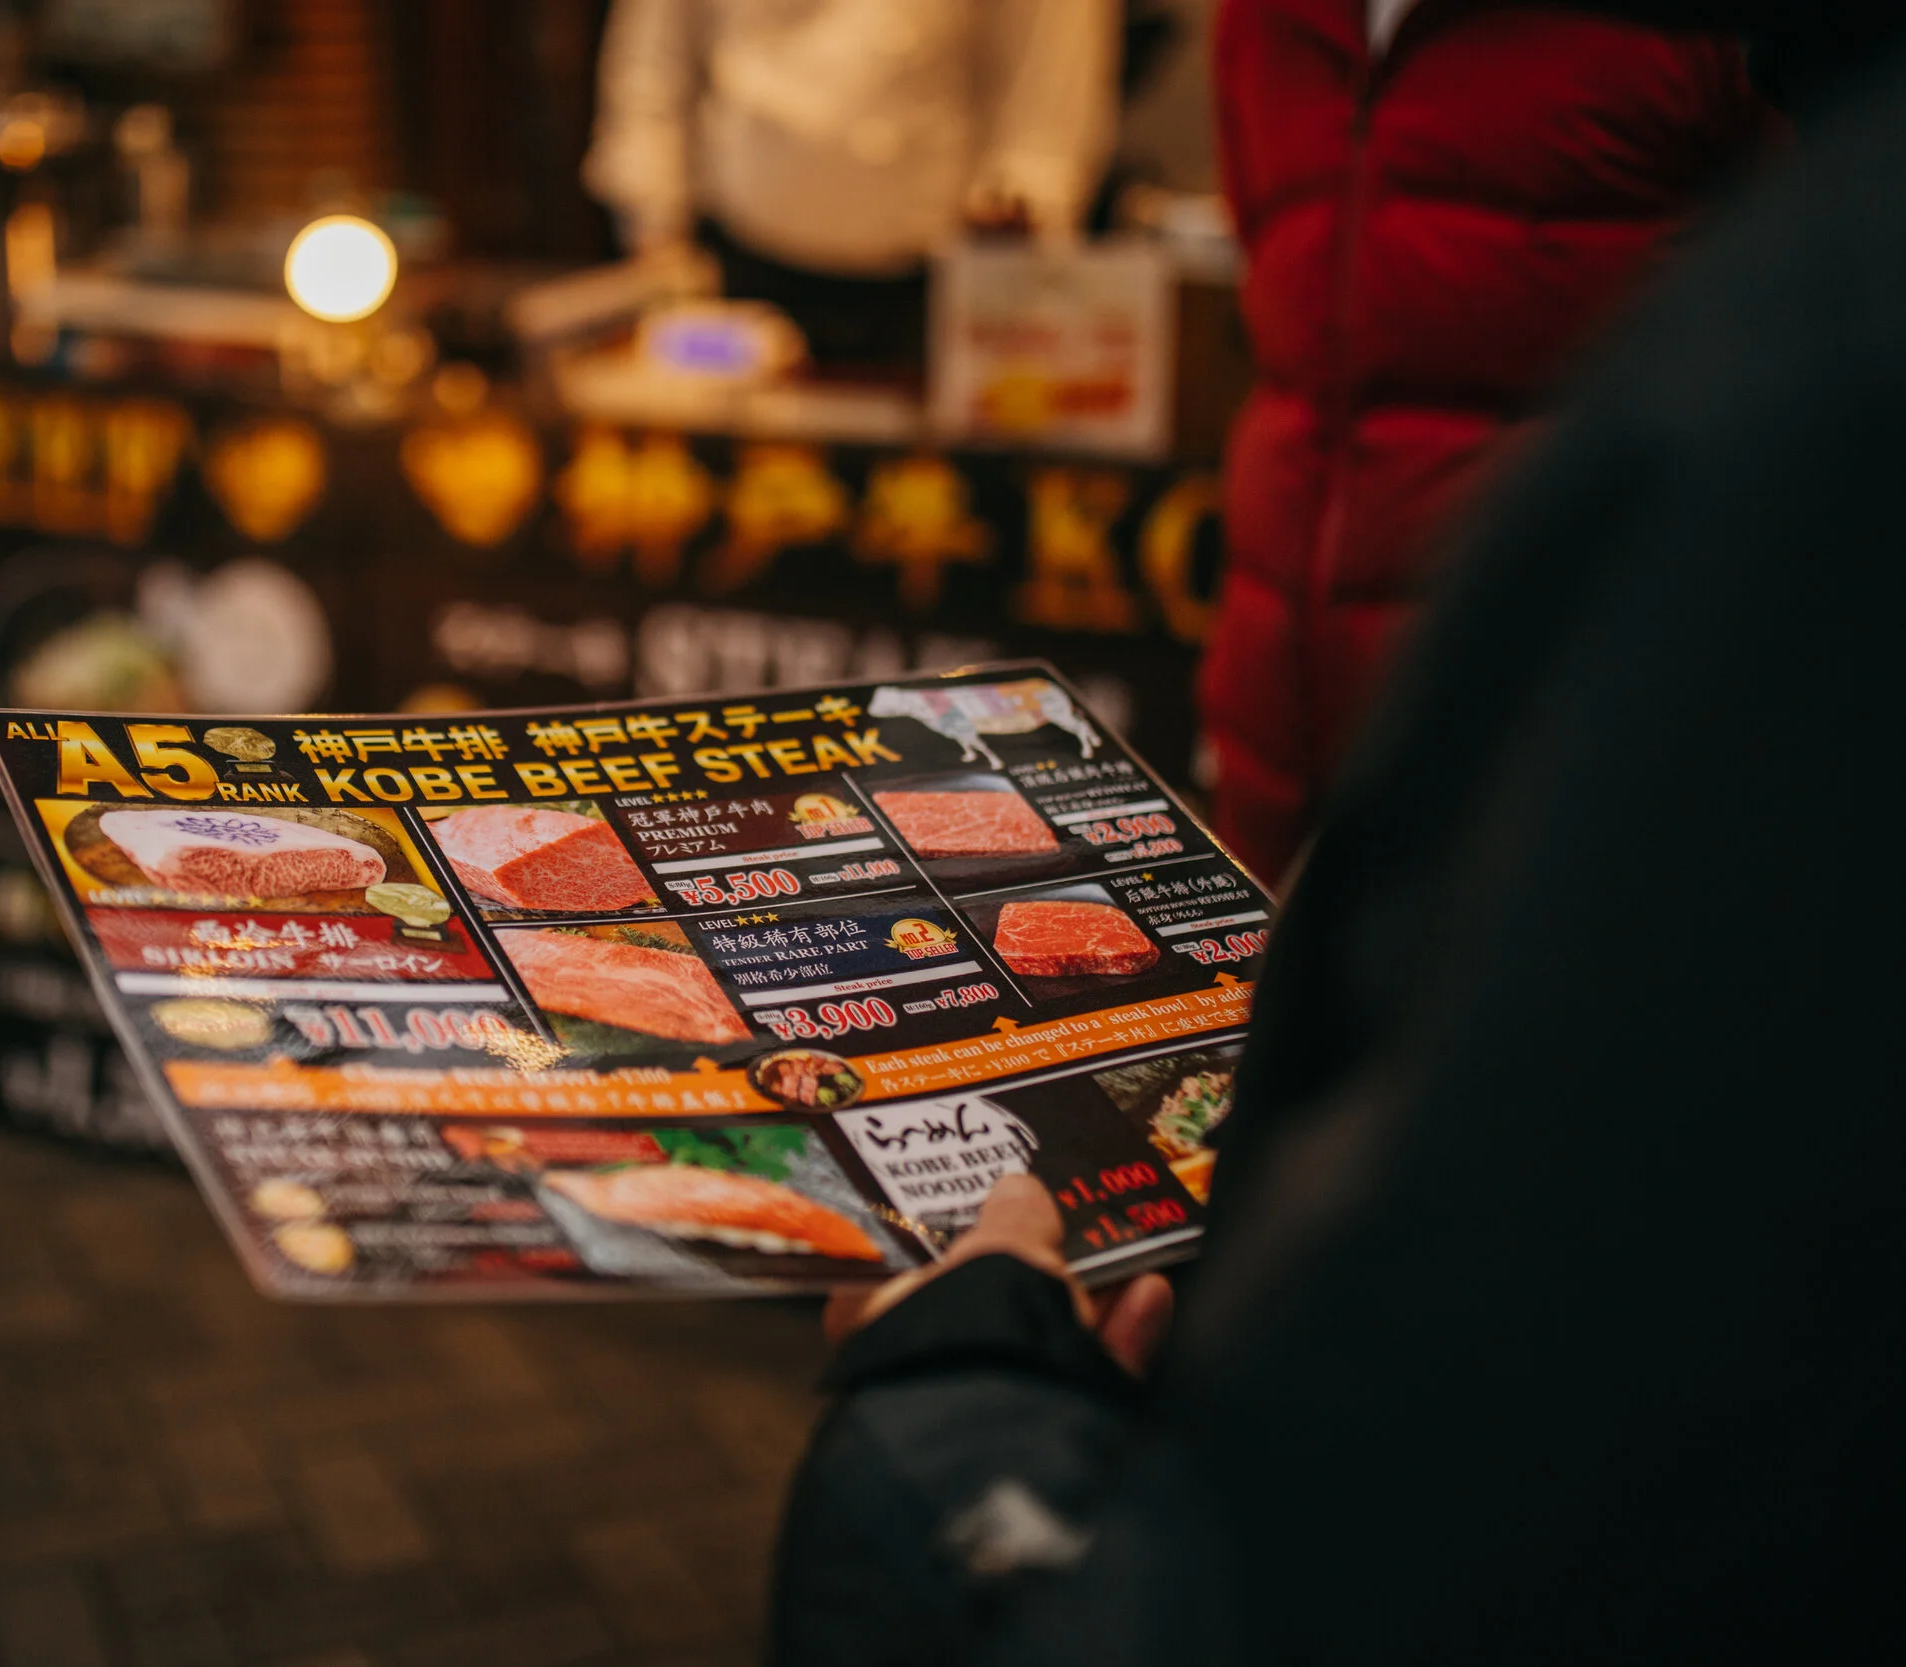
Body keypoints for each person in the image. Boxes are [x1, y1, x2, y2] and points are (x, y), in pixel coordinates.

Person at [768, 15, 1906, 1664]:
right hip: (1285, 770)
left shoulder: (1816, 252)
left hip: (1559, 832)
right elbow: (1315, 368)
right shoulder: (1269, 21)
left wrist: (949, 1408)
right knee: (1223, 1317)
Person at [1197, 0, 1764, 883]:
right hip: (1276, 758)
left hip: (1560, 778)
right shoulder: (1262, 19)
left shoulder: (1709, 32)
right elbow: (1296, 344)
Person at [581, 0, 1123, 366]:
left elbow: (1045, 111)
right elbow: (652, 66)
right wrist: (654, 236)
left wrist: (1018, 244)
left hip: (932, 296)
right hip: (733, 272)